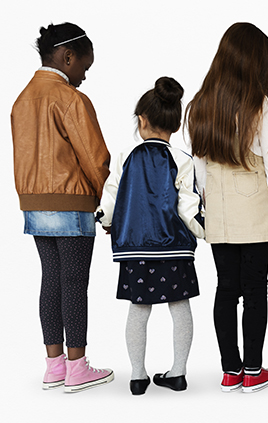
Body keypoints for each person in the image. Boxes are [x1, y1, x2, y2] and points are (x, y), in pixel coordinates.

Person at [11, 22, 113, 393]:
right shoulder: (70, 99)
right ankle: (78, 367)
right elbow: (95, 159)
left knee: (51, 280)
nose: (85, 75)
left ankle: (54, 366)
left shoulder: (21, 100)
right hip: (72, 203)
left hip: (34, 205)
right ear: (68, 57)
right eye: (85, 66)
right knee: (74, 283)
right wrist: (109, 204)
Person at [186, 22, 268, 393]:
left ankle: (230, 371)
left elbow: (198, 167)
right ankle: (254, 370)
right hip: (255, 208)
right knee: (255, 289)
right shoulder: (262, 105)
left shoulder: (200, 104)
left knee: (226, 288)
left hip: (219, 211)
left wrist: (207, 202)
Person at [98, 77, 204, 395]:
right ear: (176, 124)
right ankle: (178, 373)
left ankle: (137, 376)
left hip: (135, 249)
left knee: (138, 308)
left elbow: (110, 197)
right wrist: (206, 232)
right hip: (174, 248)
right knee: (180, 306)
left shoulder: (125, 156)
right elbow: (188, 208)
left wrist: (106, 221)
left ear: (141, 120)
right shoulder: (182, 159)